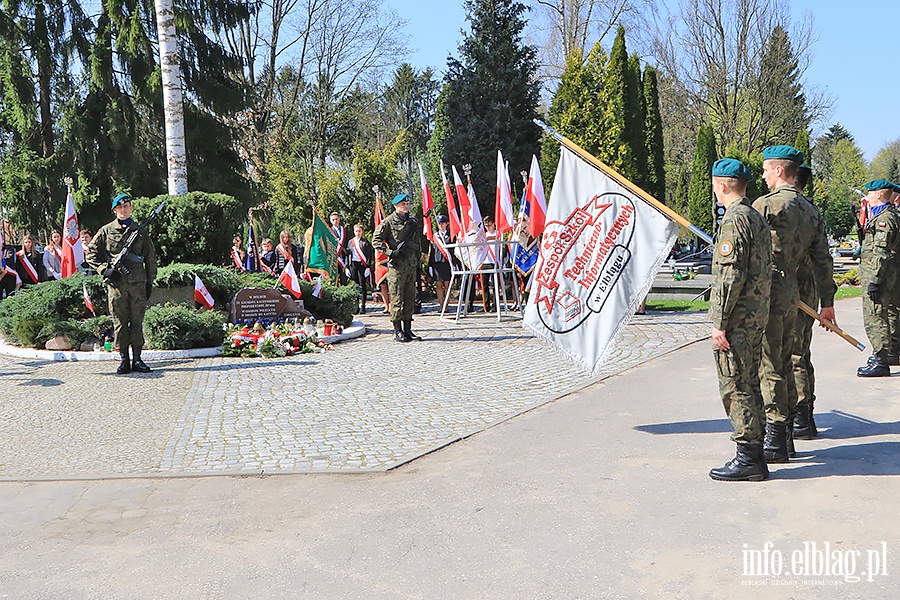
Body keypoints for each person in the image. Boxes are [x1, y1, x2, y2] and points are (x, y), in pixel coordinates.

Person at [707, 158, 773, 482]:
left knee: (735, 383)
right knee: (750, 382)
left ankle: (747, 457)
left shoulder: (734, 221)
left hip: (738, 319)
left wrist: (719, 321)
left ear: (721, 185)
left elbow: (729, 277)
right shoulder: (756, 217)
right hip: (756, 316)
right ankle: (755, 454)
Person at [752, 145, 806, 464]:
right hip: (793, 292)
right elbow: (821, 260)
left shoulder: (767, 206)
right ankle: (785, 438)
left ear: (779, 171)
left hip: (769, 291)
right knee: (785, 361)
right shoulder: (809, 209)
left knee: (770, 364)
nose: (762, 175)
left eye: (765, 169)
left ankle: (774, 437)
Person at [86, 193, 157, 375]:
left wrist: (150, 281)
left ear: (131, 208)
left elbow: (150, 257)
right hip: (117, 286)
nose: (123, 210)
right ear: (115, 210)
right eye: (120, 208)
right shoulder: (106, 231)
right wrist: (104, 270)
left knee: (137, 322)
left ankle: (138, 359)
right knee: (119, 323)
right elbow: (91, 254)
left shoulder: (140, 230)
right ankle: (124, 360)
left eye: (126, 207)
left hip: (138, 284)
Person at [791, 164, 836, 439]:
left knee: (786, 356)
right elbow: (824, 260)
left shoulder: (776, 207)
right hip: (806, 292)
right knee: (801, 353)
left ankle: (795, 417)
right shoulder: (812, 211)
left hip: (785, 294)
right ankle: (804, 416)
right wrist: (827, 300)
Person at [856, 180, 900, 377]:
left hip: (878, 273)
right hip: (883, 272)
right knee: (882, 312)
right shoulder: (887, 215)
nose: (867, 196)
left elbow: (881, 252)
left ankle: (880, 359)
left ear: (880, 195)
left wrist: (874, 279)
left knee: (875, 316)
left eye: (871, 193)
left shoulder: (885, 219)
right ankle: (886, 353)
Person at [373, 193, 422, 342]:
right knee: (397, 298)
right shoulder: (388, 222)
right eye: (403, 204)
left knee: (409, 297)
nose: (406, 206)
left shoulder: (412, 222)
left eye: (407, 204)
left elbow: (418, 242)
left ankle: (408, 329)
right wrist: (390, 252)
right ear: (396, 206)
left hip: (411, 265)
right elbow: (376, 240)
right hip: (397, 267)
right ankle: (398, 330)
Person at [348, 223, 375, 313]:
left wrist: (367, 267)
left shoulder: (365, 242)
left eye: (359, 231)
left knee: (362, 285)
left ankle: (363, 306)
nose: (358, 233)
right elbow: (348, 254)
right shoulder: (351, 242)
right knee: (354, 286)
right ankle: (355, 306)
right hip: (353, 265)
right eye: (356, 231)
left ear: (362, 232)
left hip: (362, 265)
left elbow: (369, 255)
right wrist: (347, 267)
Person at [429, 215, 453, 310]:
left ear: (447, 224)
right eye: (439, 223)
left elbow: (453, 251)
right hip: (437, 263)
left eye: (443, 223)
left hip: (447, 263)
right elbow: (432, 251)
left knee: (447, 285)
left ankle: (446, 306)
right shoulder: (435, 237)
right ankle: (441, 306)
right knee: (438, 285)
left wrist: (455, 264)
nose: (441, 225)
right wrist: (430, 265)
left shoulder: (451, 236)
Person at [330, 212, 350, 285]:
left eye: (336, 219)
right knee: (334, 281)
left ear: (339, 219)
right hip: (334, 258)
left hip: (344, 257)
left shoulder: (344, 230)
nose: (335, 221)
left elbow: (348, 242)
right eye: (333, 220)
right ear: (331, 221)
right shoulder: (329, 231)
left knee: (344, 279)